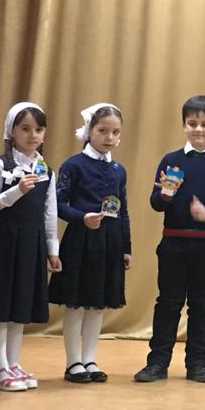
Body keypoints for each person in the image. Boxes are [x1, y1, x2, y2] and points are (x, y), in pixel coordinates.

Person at [136, 95, 205, 383]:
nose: (198, 129)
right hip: (173, 243)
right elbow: (156, 203)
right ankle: (157, 363)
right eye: (192, 123)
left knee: (202, 305)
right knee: (168, 303)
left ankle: (197, 364)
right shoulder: (171, 160)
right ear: (183, 125)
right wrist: (166, 194)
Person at [0, 102, 60, 390]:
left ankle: (13, 362)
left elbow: (49, 212)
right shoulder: (1, 165)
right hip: (5, 240)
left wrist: (52, 249)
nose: (33, 135)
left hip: (32, 242)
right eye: (25, 128)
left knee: (20, 303)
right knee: (1, 303)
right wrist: (15, 192)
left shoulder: (46, 170)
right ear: (12, 131)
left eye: (39, 129)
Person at [48, 103, 131, 383]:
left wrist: (126, 247)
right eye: (103, 130)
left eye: (115, 132)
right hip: (81, 240)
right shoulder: (73, 165)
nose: (109, 137)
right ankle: (73, 361)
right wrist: (82, 217)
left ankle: (90, 358)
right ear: (89, 131)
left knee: (98, 304)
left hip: (109, 242)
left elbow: (123, 210)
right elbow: (58, 204)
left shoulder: (119, 170)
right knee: (76, 304)